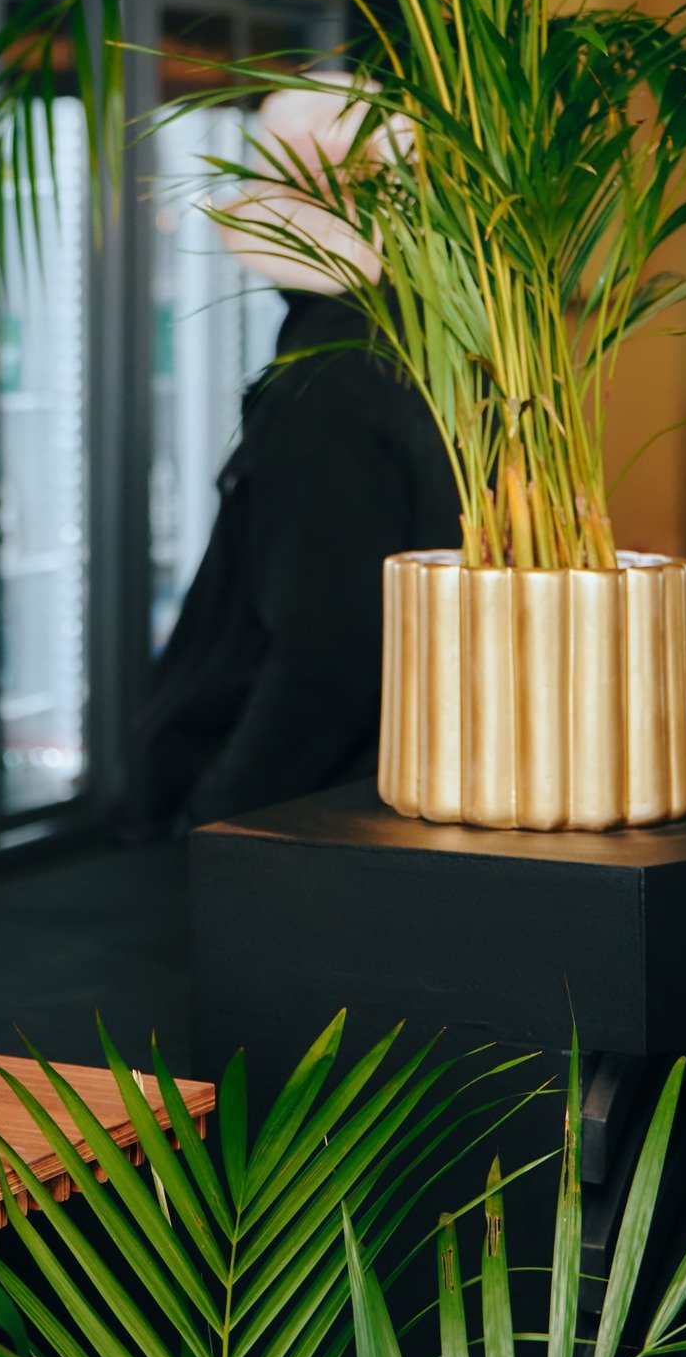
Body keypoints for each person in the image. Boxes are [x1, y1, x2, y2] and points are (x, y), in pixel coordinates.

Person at [125, 84, 461, 834]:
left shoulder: (328, 382)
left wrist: (217, 818)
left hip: (313, 820)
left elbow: (326, 659)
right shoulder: (437, 343)